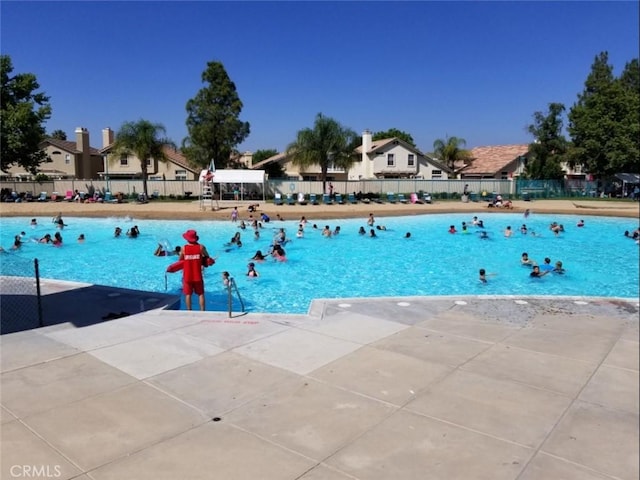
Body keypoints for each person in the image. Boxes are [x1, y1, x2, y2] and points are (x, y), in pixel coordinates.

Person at [179, 229, 211, 311]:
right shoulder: (201, 247)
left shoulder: (184, 249)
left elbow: (180, 260)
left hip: (187, 275)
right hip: (197, 274)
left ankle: (189, 310)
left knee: (188, 294)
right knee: (201, 294)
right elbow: (207, 256)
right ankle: (202, 311)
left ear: (187, 239)